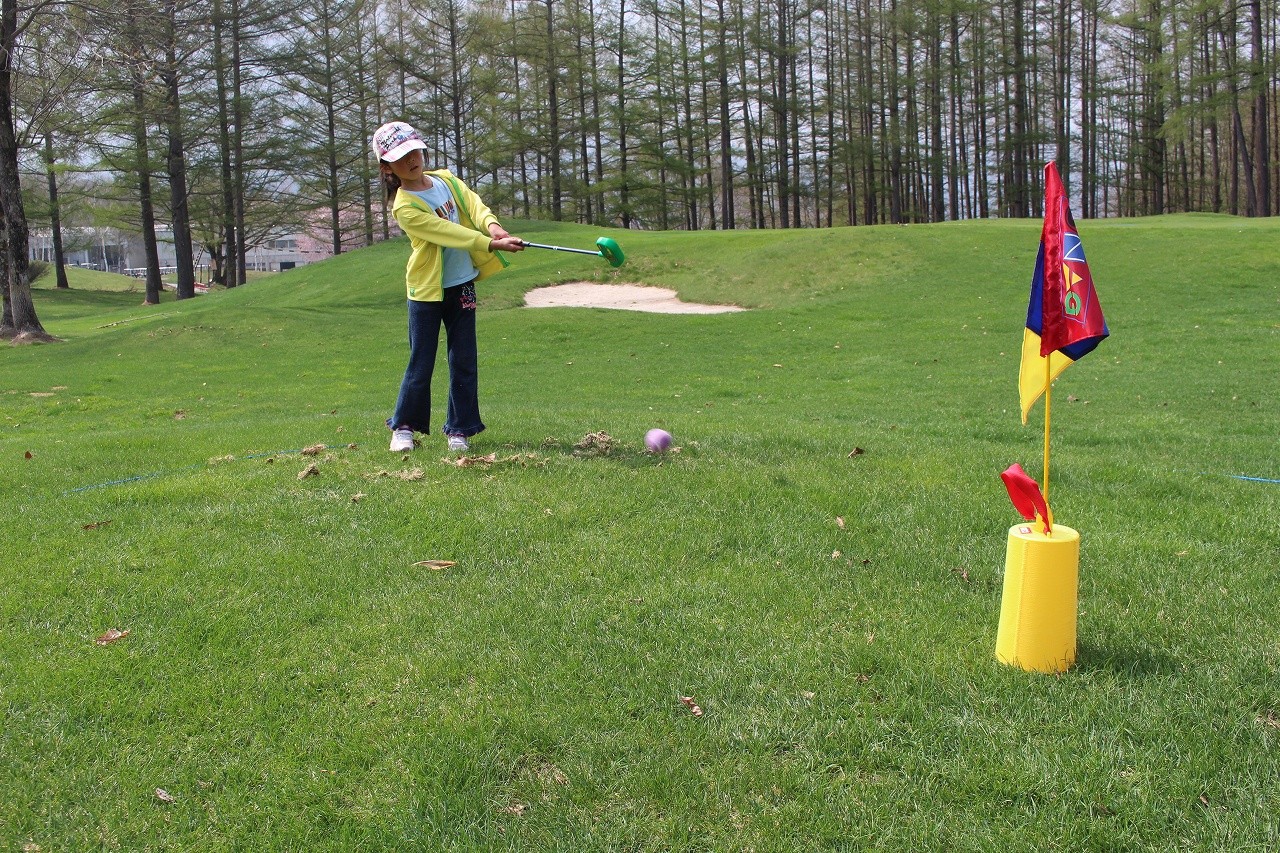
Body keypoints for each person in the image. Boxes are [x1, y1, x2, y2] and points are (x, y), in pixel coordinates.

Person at [372, 121, 524, 453]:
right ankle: (403, 427)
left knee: (464, 358)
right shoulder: (404, 205)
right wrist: (490, 244)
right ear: (387, 167)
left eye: (414, 151)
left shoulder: (445, 180)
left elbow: (474, 205)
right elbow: (446, 232)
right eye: (401, 157)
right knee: (421, 360)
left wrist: (494, 227)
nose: (412, 160)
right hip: (426, 291)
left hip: (461, 285)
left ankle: (459, 429)